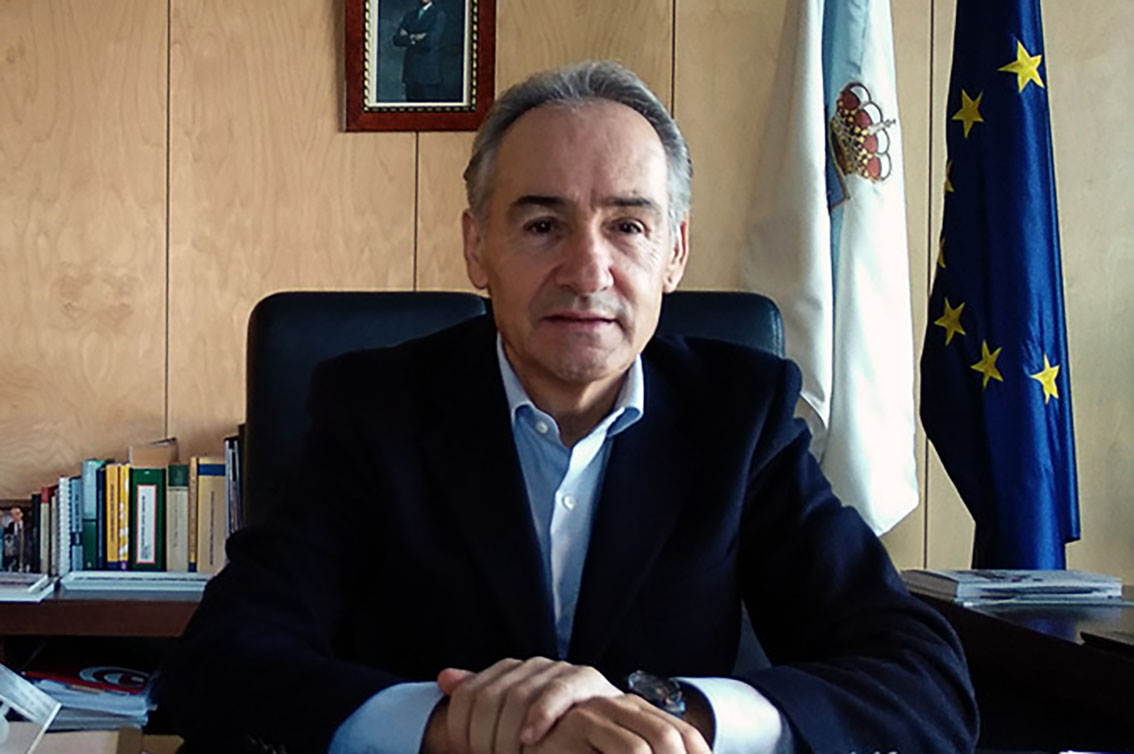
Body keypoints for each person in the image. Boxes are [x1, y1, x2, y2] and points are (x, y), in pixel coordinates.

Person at [158, 61, 978, 753]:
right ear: (478, 247)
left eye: (628, 226)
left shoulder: (739, 415)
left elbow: (920, 680)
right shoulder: (373, 411)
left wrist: (669, 715)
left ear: (674, 253)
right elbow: (221, 662)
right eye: (544, 225)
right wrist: (450, 724)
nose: (589, 271)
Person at [392, 0, 446, 102]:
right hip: (411, 73)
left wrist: (408, 36)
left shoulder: (438, 15)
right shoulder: (410, 15)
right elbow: (397, 40)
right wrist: (415, 37)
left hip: (428, 74)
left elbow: (430, 41)